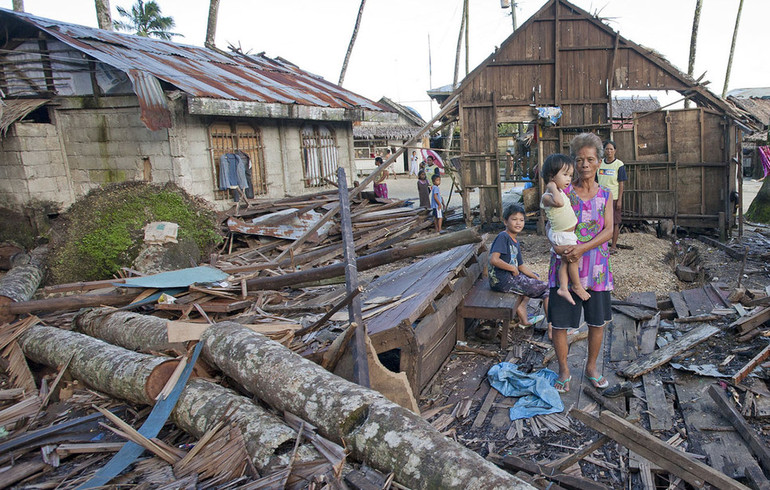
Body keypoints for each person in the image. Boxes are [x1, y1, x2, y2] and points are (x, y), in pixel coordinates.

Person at [548, 132, 615, 394]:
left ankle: (591, 368)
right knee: (561, 324)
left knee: (597, 322)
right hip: (563, 265)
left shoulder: (606, 194)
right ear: (573, 163)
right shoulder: (563, 192)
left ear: (599, 162)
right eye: (579, 160)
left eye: (590, 159)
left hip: (596, 268)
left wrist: (582, 248)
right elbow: (549, 221)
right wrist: (557, 246)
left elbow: (609, 230)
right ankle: (564, 370)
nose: (584, 164)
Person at [540, 154, 591, 306]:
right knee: (573, 259)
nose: (569, 179)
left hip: (566, 234)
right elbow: (559, 202)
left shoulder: (559, 192)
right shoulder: (548, 196)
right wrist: (550, 186)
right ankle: (576, 285)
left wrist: (555, 187)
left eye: (570, 175)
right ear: (551, 176)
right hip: (562, 236)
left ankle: (563, 288)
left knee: (565, 261)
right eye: (565, 175)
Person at [488, 204, 549, 326]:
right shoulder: (503, 236)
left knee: (534, 277)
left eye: (521, 220)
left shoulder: (515, 242)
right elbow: (493, 259)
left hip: (507, 279)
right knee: (548, 289)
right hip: (503, 280)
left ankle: (523, 313)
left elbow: (520, 266)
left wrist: (534, 277)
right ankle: (553, 328)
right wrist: (511, 268)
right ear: (505, 221)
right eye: (514, 219)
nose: (518, 223)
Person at [598, 140, 627, 254]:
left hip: (613, 198)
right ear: (604, 151)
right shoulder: (600, 164)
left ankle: (613, 247)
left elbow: (621, 183)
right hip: (601, 197)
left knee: (615, 222)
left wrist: (620, 199)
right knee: (600, 222)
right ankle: (600, 244)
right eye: (607, 149)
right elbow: (596, 180)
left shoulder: (619, 165)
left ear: (615, 151)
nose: (609, 151)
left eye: (611, 149)